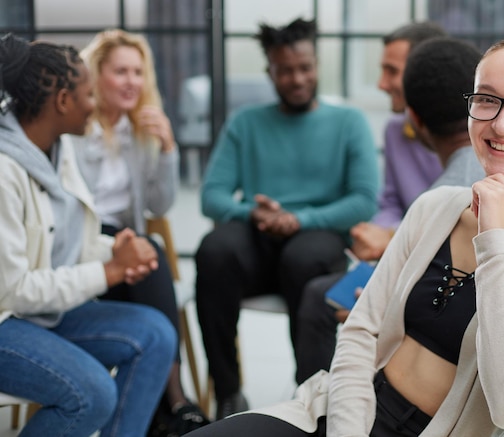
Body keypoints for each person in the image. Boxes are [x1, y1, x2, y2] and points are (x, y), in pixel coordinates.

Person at [185, 34, 504, 437]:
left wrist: (496, 239)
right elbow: (360, 333)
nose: (500, 123)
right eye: (486, 100)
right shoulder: (436, 207)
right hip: (342, 412)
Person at [194, 17, 379, 420]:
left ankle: (309, 396)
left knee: (304, 256)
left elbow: (364, 200)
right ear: (271, 72)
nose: (297, 78)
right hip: (258, 244)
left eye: (304, 68)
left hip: (316, 242)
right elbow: (212, 197)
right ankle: (228, 391)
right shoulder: (246, 122)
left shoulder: (348, 123)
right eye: (285, 70)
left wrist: (300, 219)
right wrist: (254, 213)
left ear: (316, 66)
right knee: (214, 249)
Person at [0, 33, 177, 436]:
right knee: (92, 393)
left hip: (38, 315)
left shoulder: (54, 149)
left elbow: (58, 242)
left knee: (155, 333)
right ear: (63, 102)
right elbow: (13, 291)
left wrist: (115, 250)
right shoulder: (5, 169)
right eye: (88, 95)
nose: (94, 106)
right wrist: (111, 271)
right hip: (5, 320)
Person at [295, 21, 483, 384]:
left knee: (333, 300)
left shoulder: (456, 191)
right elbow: (392, 201)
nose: (382, 83)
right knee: (322, 295)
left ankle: (338, 403)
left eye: (392, 71)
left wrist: (388, 296)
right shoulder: (488, 162)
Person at [70, 29, 209, 435]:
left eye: (138, 72)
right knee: (150, 249)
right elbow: (74, 208)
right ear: (97, 77)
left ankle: (162, 410)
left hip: (127, 248)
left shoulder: (137, 131)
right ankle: (175, 401)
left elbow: (160, 205)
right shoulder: (77, 131)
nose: (132, 81)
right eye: (121, 72)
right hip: (85, 244)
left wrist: (167, 148)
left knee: (148, 250)